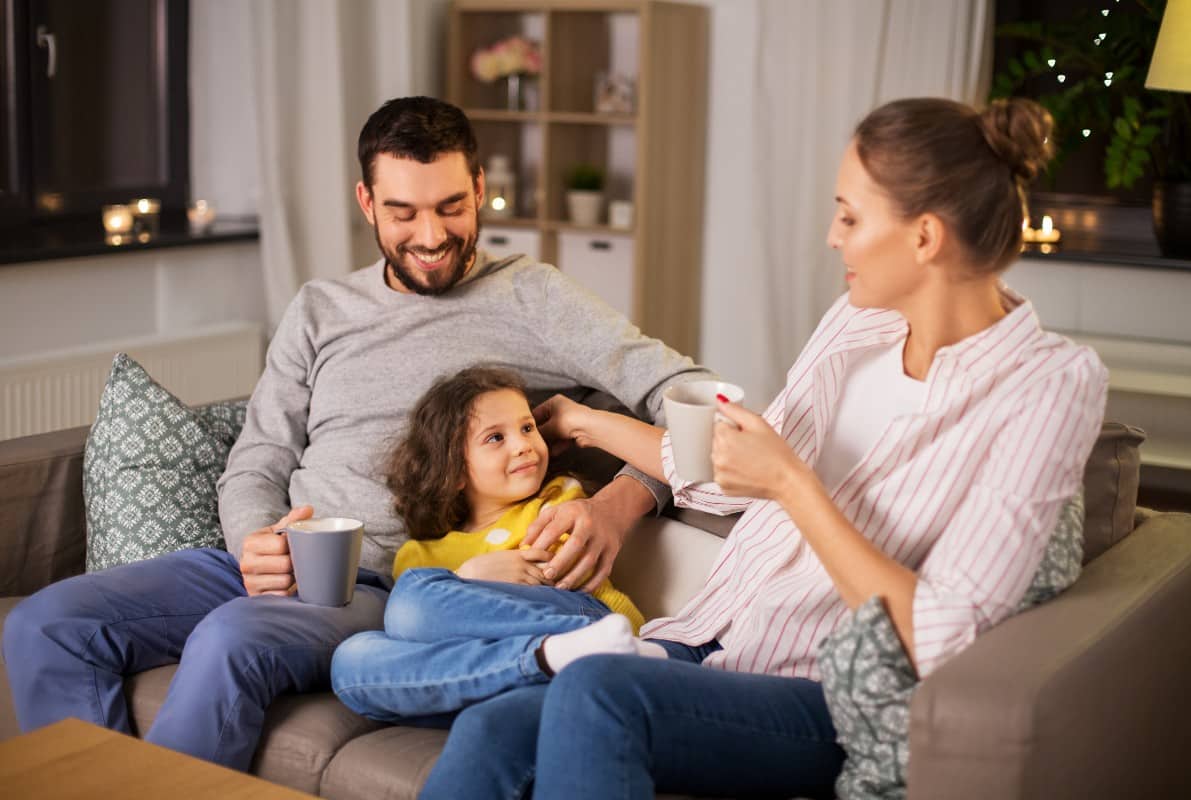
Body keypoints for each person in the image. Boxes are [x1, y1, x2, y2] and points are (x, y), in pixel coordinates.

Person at [416, 96, 1109, 800]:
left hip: (816, 697)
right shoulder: (857, 323)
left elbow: (942, 636)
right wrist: (583, 423)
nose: (833, 237)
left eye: (849, 216)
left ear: (924, 236)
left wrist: (795, 489)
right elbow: (727, 476)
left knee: (600, 693)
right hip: (705, 641)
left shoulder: (1047, 386)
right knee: (490, 730)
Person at [1, 96, 712, 770]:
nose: (431, 236)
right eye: (402, 211)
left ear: (480, 189)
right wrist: (254, 540)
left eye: (451, 207)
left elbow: (692, 397)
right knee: (45, 624)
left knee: (228, 640)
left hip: (382, 582)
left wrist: (619, 505)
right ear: (366, 202)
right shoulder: (319, 309)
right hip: (273, 563)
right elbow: (260, 454)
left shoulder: (534, 296)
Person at [329, 365, 668, 722]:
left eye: (527, 428)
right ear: (455, 470)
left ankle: (596, 650)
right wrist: (468, 577)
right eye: (496, 438)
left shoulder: (556, 505)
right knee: (351, 659)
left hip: (579, 617)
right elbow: (420, 635)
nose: (523, 446)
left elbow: (582, 590)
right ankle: (544, 661)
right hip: (495, 676)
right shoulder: (418, 557)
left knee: (410, 599)